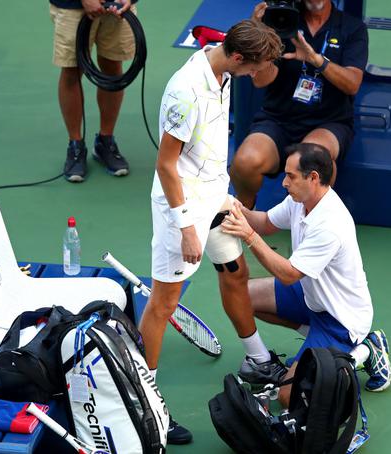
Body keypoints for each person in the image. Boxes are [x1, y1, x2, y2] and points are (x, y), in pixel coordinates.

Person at [140, 20, 283, 441]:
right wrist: (186, 227)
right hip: (179, 209)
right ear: (237, 56)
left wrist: (223, 196)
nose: (256, 76)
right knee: (163, 305)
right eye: (254, 68)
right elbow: (166, 165)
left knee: (234, 272)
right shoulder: (186, 90)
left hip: (213, 199)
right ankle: (145, 403)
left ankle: (256, 359)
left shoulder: (221, 68)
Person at [222, 143, 391, 405]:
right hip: (311, 295)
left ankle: (363, 351)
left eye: (290, 176)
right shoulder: (299, 201)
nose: (284, 183)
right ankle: (308, 345)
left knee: (288, 398)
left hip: (340, 321)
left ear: (313, 178)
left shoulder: (330, 225)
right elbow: (266, 222)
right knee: (242, 297)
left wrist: (248, 235)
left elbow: (289, 274)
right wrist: (235, 208)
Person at [229, 0, 368, 209]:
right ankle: (244, 220)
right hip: (278, 119)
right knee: (245, 162)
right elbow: (261, 80)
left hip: (328, 122)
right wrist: (259, 36)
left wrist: (317, 60)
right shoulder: (281, 21)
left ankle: (310, 227)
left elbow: (352, 84)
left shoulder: (352, 27)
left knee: (315, 158)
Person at [49, 0, 135, 183]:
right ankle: (75, 145)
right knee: (72, 70)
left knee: (112, 68)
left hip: (118, 5)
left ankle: (105, 142)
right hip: (72, 6)